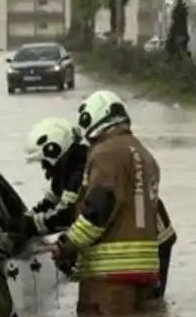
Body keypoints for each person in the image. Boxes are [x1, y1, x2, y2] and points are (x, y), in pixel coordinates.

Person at [22, 111, 177, 299]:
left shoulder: (82, 172)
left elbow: (66, 214)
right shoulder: (74, 169)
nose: (45, 170)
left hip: (144, 252)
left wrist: (27, 226)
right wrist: (24, 218)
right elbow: (49, 204)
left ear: (54, 150)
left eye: (44, 162)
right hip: (147, 250)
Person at [49, 90, 163, 316]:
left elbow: (97, 211)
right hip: (147, 273)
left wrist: (65, 245)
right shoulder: (146, 155)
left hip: (109, 277)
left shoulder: (106, 153)